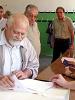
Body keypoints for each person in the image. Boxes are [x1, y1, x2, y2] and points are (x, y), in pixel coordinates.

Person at [0, 13, 39, 88]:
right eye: (16, 32)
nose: (19, 37)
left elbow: (34, 65)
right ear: (6, 27)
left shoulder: (26, 42)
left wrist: (26, 73)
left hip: (18, 90)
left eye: (23, 34)